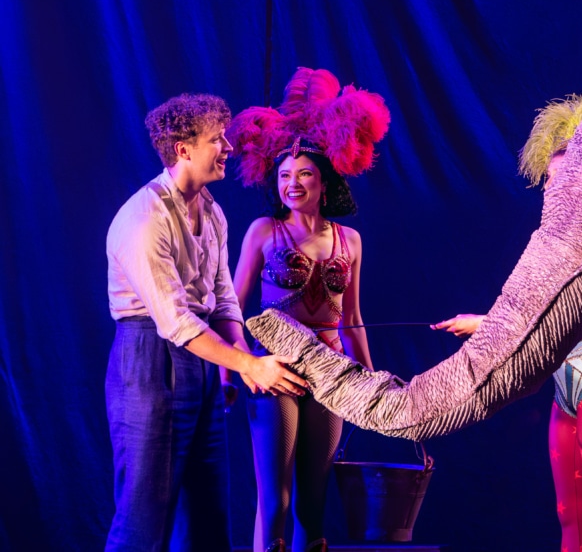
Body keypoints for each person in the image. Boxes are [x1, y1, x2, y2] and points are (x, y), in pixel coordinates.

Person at [433, 95, 582, 552]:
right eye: (548, 180)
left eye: (562, 178)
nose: (552, 188)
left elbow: (562, 310)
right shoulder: (546, 238)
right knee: (570, 515)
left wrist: (484, 323)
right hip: (565, 378)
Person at [105, 93, 309, 552]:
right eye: (217, 139)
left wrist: (235, 362)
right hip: (149, 362)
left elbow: (221, 301)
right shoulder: (144, 219)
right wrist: (248, 365)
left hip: (201, 359)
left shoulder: (213, 213)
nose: (228, 147)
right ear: (184, 149)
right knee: (144, 518)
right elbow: (175, 322)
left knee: (208, 518)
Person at [227, 68, 389, 552]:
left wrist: (370, 377)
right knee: (274, 500)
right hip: (276, 369)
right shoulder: (262, 231)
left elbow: (353, 316)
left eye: (303, 175)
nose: (292, 184)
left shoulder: (350, 240)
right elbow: (232, 305)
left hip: (333, 372)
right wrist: (231, 370)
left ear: (324, 181)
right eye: (283, 176)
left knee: (313, 503)